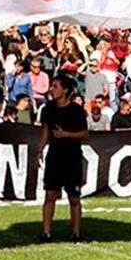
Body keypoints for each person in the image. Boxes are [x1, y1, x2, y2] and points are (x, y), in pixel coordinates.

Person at [35, 75, 88, 243]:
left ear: (65, 90)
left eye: (56, 86)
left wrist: (66, 134)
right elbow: (46, 130)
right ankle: (46, 232)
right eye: (52, 86)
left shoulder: (76, 110)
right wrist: (40, 148)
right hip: (54, 156)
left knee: (74, 196)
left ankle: (76, 232)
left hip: (71, 156)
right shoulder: (48, 108)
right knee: (50, 194)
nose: (52, 89)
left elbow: (85, 134)